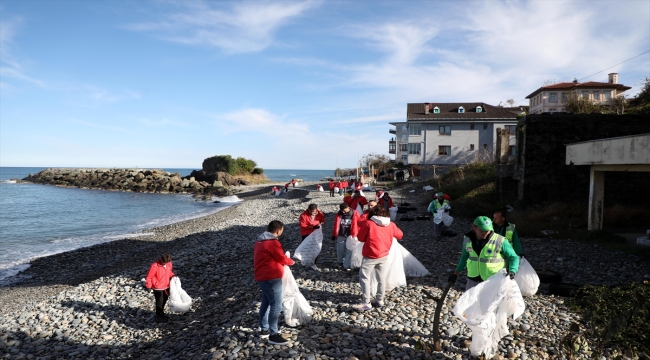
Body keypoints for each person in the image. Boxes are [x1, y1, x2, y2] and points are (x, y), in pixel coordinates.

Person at [448, 216, 520, 290]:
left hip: (493, 280)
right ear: (474, 227)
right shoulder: (467, 240)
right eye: (482, 230)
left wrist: (512, 271)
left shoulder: (500, 240)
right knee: (471, 301)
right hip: (473, 279)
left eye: (488, 230)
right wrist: (455, 274)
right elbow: (464, 257)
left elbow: (513, 257)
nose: (486, 233)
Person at [354, 206, 404, 311]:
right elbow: (400, 235)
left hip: (370, 255)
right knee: (381, 278)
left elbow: (360, 238)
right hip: (384, 254)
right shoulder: (391, 224)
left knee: (364, 278)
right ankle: (380, 299)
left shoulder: (369, 223)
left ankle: (366, 302)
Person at [254, 220, 294, 345]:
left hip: (262, 276)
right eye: (282, 230)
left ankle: (264, 330)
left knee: (266, 303)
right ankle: (273, 334)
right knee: (276, 306)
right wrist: (291, 262)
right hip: (271, 277)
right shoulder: (272, 243)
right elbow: (281, 258)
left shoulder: (259, 241)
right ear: (278, 231)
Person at [145, 254, 175, 323]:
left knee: (165, 298)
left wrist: (173, 275)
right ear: (161, 260)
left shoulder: (169, 264)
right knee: (159, 300)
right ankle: (158, 315)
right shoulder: (154, 265)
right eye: (164, 262)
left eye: (166, 262)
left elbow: (169, 272)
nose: (165, 264)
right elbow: (149, 276)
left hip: (166, 285)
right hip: (157, 287)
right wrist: (148, 286)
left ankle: (161, 312)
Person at [332, 203, 360, 270]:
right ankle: (340, 262)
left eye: (344, 210)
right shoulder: (339, 214)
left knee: (349, 250)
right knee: (340, 249)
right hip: (341, 234)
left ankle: (347, 263)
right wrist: (334, 234)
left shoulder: (355, 214)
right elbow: (336, 225)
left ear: (348, 208)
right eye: (342, 211)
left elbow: (359, 224)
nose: (343, 212)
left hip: (351, 235)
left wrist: (358, 234)